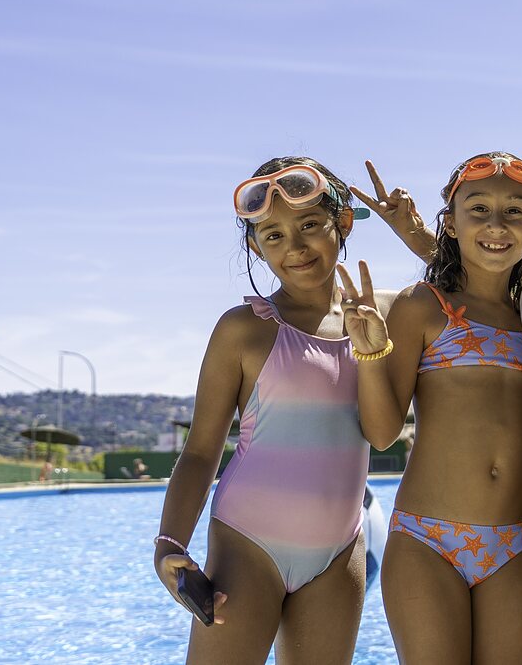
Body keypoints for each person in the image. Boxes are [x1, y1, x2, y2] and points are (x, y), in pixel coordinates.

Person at [153, 157, 372, 665]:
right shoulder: (243, 329)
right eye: (272, 235)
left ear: (342, 223)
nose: (294, 247)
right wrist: (168, 544)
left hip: (339, 552)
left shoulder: (377, 319)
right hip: (247, 545)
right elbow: (202, 449)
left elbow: (457, 295)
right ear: (255, 246)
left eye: (310, 225)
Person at [351, 152, 522, 664]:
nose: (496, 224)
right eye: (478, 209)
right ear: (452, 223)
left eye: (514, 211)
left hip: (514, 544)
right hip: (428, 541)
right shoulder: (423, 307)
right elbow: (380, 434)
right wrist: (372, 354)